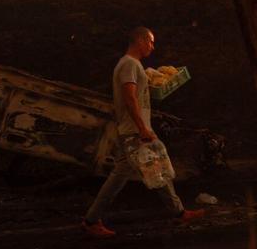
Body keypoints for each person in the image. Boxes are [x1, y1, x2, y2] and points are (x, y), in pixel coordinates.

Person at [82, 26, 204, 237]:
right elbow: (129, 98)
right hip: (134, 132)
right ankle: (178, 213)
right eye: (150, 41)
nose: (152, 46)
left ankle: (91, 220)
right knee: (155, 168)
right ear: (139, 40)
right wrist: (142, 128)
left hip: (132, 130)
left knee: (136, 173)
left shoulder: (133, 65)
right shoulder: (129, 64)